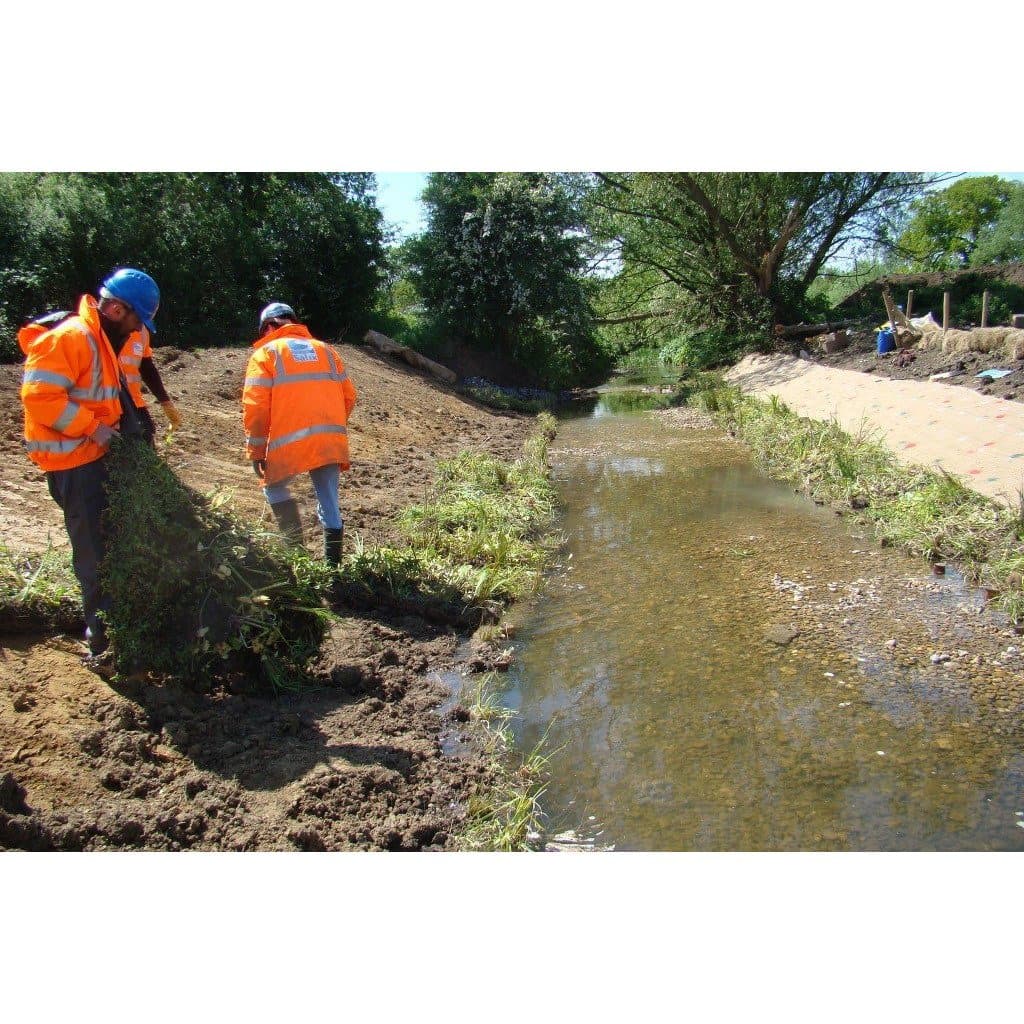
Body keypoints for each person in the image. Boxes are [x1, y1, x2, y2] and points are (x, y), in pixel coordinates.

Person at [19, 267, 161, 668]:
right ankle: (104, 646)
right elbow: (40, 397)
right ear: (116, 309)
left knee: (109, 547)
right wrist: (93, 429)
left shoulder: (98, 341)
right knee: (94, 556)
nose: (136, 332)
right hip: (75, 465)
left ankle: (117, 631)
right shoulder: (72, 338)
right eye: (136, 322)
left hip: (92, 460)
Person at [242, 302, 357, 565]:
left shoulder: (266, 354)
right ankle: (333, 571)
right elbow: (349, 396)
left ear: (270, 326)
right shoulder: (326, 351)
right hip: (329, 439)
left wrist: (257, 451)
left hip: (288, 444)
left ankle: (297, 558)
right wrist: (331, 428)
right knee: (329, 501)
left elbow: (256, 409)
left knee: (274, 487)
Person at [119, 321, 183, 444]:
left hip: (134, 402)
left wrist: (165, 402)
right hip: (111, 405)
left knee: (146, 438)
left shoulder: (142, 331)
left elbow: (147, 367)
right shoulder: (105, 329)